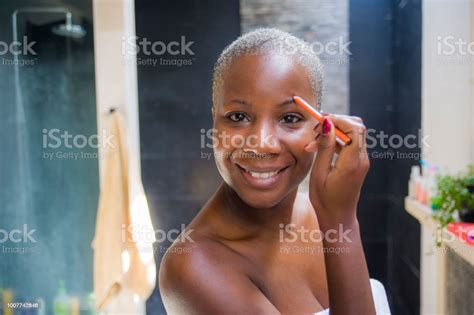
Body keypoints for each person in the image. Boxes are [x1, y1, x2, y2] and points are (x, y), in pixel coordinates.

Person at [159, 28, 378, 314]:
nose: (262, 144)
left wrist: (337, 220)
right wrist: (343, 223)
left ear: (322, 125)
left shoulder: (317, 212)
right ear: (215, 118)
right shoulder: (192, 267)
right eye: (238, 117)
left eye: (290, 118)